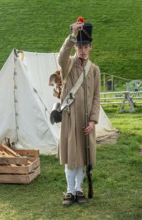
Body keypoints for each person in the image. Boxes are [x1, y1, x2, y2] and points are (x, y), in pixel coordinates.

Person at [57, 19, 100, 206]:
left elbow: (96, 98)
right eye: (79, 46)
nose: (82, 50)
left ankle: (80, 189)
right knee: (70, 157)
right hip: (70, 119)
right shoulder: (68, 65)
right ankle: (69, 191)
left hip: (85, 122)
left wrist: (93, 121)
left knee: (82, 157)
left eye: (85, 46)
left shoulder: (95, 70)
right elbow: (61, 58)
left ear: (90, 47)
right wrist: (71, 37)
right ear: (76, 47)